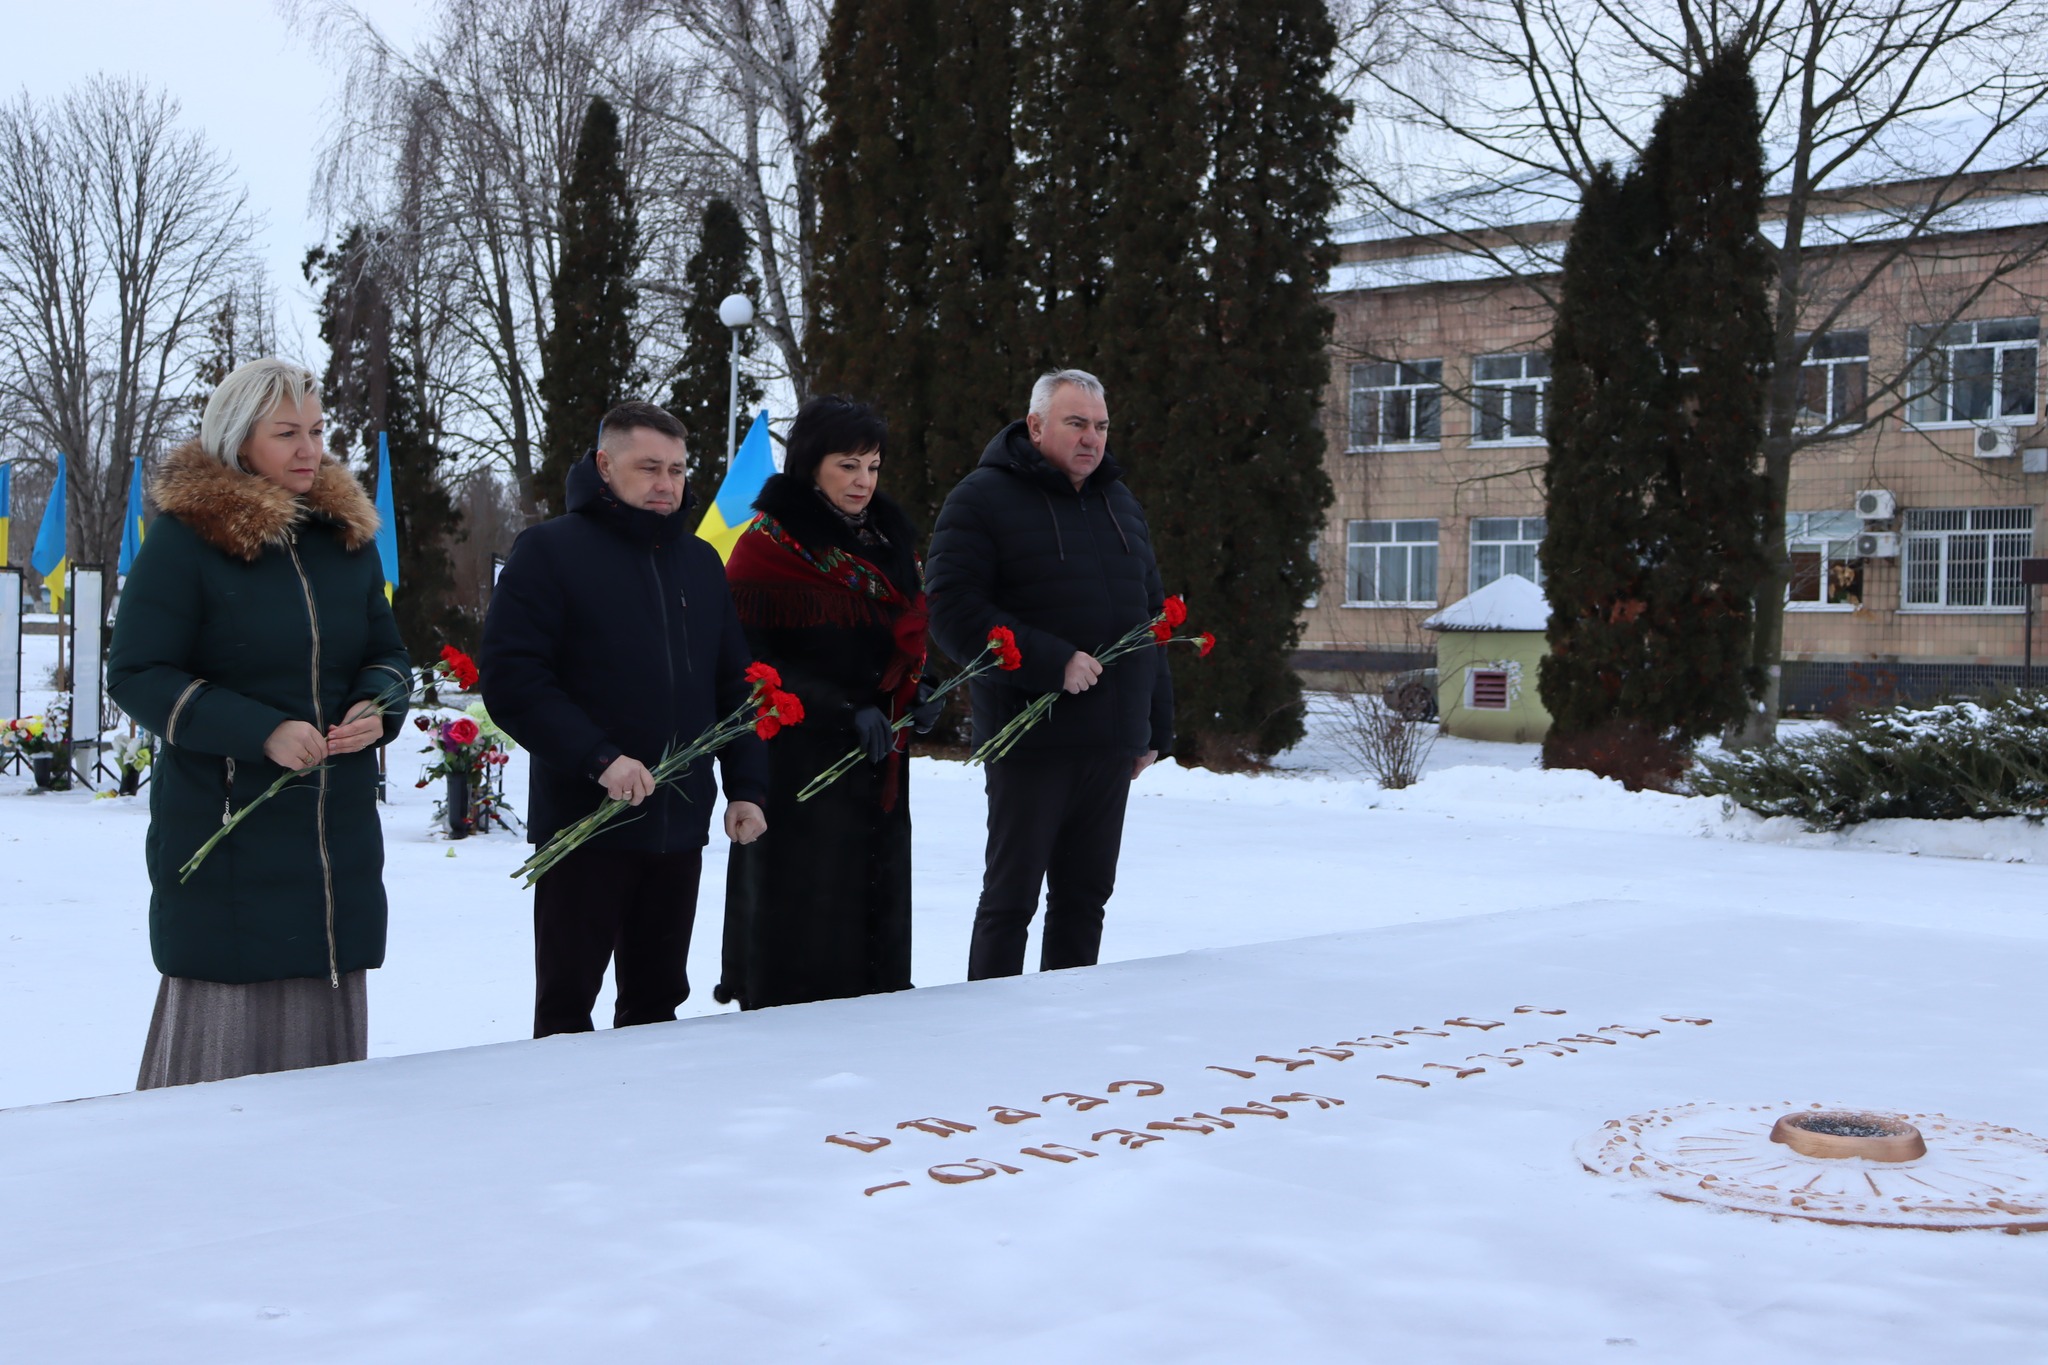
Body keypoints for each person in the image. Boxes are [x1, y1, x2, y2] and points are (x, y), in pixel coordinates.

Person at [108, 358, 411, 1088]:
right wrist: (262, 731)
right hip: (228, 830)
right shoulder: (186, 539)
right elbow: (138, 673)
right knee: (224, 1070)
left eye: (317, 430)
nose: (309, 449)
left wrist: (377, 706)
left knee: (326, 1079)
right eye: (286, 433)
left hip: (334, 840)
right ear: (240, 439)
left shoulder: (347, 539)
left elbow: (389, 655)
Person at [481, 400, 769, 1038]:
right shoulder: (549, 551)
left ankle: (649, 1105)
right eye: (649, 468)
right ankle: (565, 1104)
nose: (666, 484)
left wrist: (747, 786)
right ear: (604, 465)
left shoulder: (701, 563)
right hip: (586, 823)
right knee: (566, 1011)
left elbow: (734, 685)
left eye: (677, 469)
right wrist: (599, 758)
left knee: (657, 1008)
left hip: (679, 823)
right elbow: (514, 681)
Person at [926, 368, 1174, 980]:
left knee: (1085, 900)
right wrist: (1050, 661)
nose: (1093, 438)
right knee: (1011, 902)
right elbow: (953, 611)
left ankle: (1068, 1018)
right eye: (1077, 423)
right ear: (1036, 426)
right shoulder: (981, 499)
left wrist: (1154, 726)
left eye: (1102, 426)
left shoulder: (1120, 503)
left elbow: (1151, 620)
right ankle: (991, 1019)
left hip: (1109, 744)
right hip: (1029, 740)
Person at [718, 396, 939, 1009]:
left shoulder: (891, 540)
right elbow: (748, 663)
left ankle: (873, 1016)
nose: (864, 481)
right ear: (811, 464)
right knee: (805, 919)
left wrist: (922, 690)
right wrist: (838, 707)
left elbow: (909, 634)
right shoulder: (768, 544)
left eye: (873, 466)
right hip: (799, 761)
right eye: (848, 465)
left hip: (878, 762)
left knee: (873, 912)